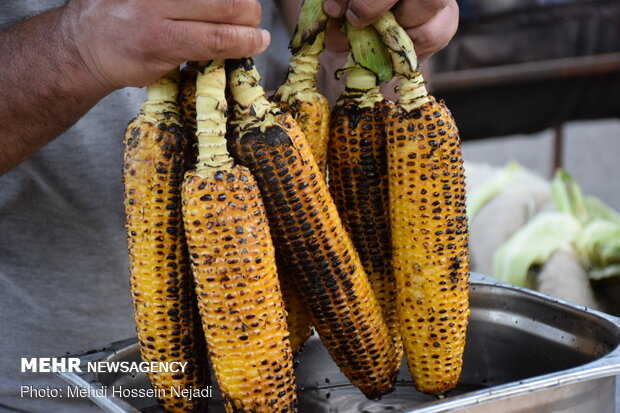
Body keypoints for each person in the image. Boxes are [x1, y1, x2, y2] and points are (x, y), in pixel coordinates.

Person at [0, 0, 458, 411]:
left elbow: (348, 76)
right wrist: (78, 45)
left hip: (305, 365)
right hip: (39, 383)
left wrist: (371, 43)